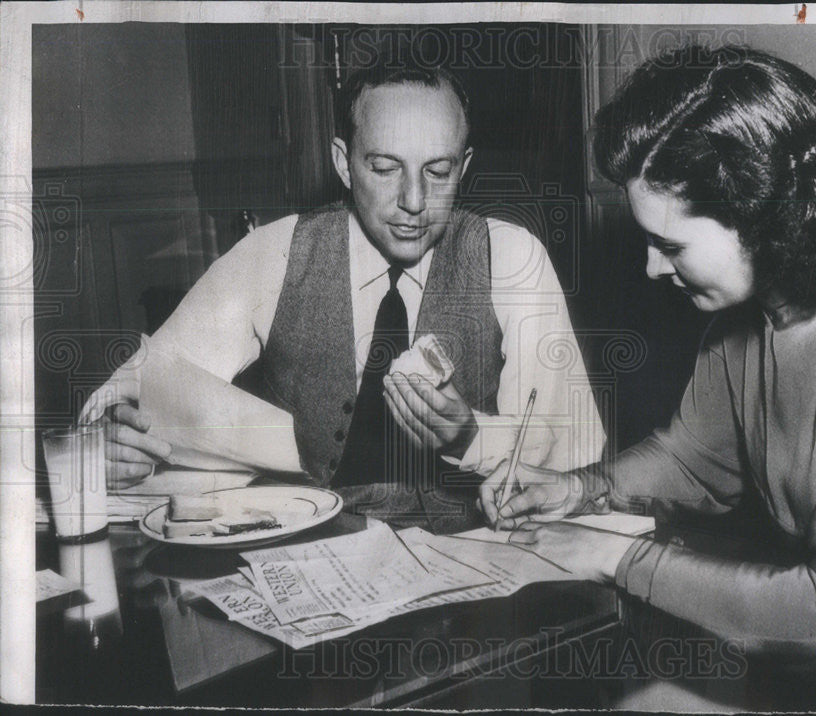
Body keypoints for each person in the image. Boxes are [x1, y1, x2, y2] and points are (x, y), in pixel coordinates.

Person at [480, 46, 816, 707]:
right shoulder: (742, 325)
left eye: (670, 245)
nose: (651, 268)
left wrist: (616, 558)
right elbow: (693, 463)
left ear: (762, 215)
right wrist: (579, 488)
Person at [83, 63, 605, 533]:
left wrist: (469, 437)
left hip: (473, 551)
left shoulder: (512, 257)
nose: (414, 202)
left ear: (464, 167)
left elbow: (568, 448)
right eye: (384, 167)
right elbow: (139, 384)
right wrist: (110, 438)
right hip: (304, 546)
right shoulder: (277, 253)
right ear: (342, 161)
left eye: (438, 171)